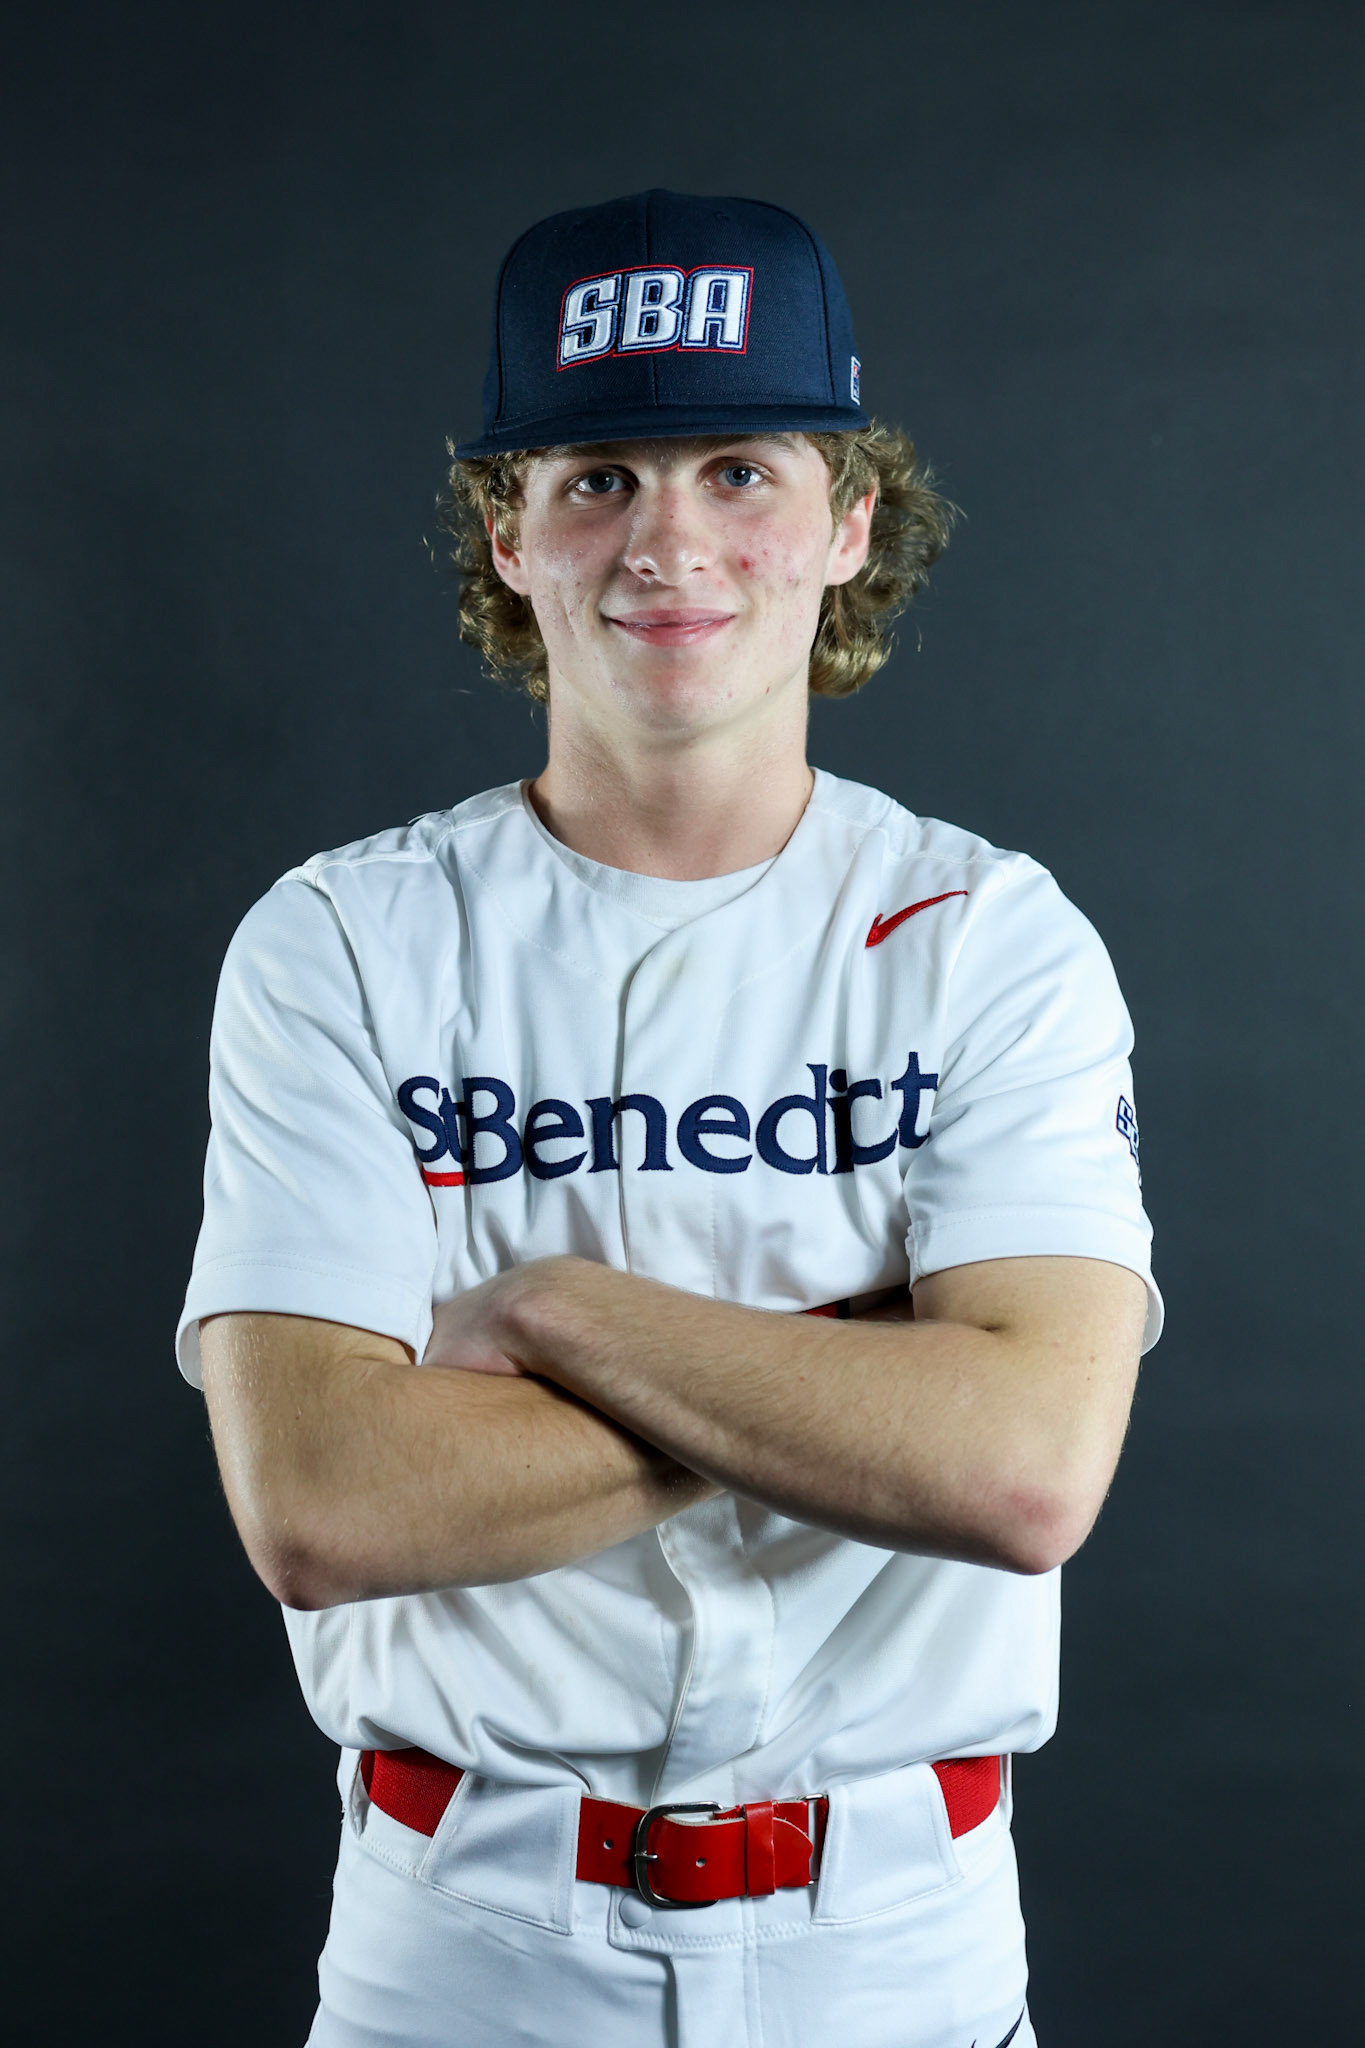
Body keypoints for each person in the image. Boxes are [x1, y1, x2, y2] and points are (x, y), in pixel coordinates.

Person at [179, 189, 1160, 2048]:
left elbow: (1023, 1473)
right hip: (463, 1950)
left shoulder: (987, 936)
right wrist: (867, 1395)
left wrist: (553, 1317)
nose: (670, 542)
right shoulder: (342, 940)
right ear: (509, 532)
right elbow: (323, 1501)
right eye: (597, 478)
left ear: (849, 522)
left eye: (738, 467)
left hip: (899, 1946)